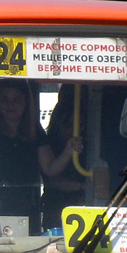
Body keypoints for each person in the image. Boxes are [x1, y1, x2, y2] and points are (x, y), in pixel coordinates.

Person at [0, 79, 44, 230]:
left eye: (17, 100)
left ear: (26, 103)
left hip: (28, 207)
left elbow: (50, 167)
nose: (11, 105)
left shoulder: (34, 130)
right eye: (5, 100)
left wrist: (70, 150)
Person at [40, 95, 87, 230]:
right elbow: (52, 179)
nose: (74, 131)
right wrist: (82, 187)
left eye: (80, 126)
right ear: (57, 123)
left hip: (84, 205)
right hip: (56, 207)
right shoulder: (48, 145)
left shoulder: (90, 145)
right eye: (68, 125)